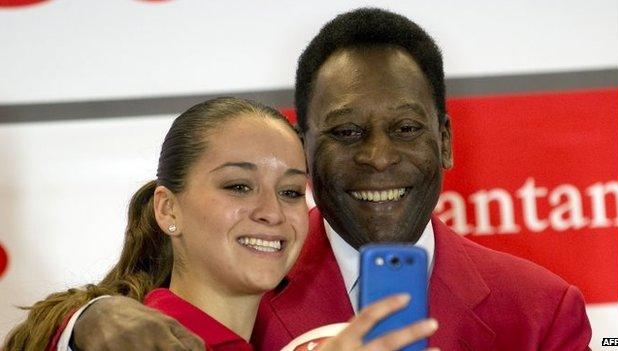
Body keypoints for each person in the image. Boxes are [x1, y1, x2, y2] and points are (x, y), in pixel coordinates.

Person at [6, 8, 592, 351]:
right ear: (306, 146)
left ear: (446, 139)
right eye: (346, 133)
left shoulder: (542, 309)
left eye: (407, 129)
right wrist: (83, 324)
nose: (380, 158)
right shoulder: (243, 271)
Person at [3, 97, 440, 351]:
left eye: (290, 191)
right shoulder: (133, 343)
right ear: (167, 210)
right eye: (238, 186)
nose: (272, 212)